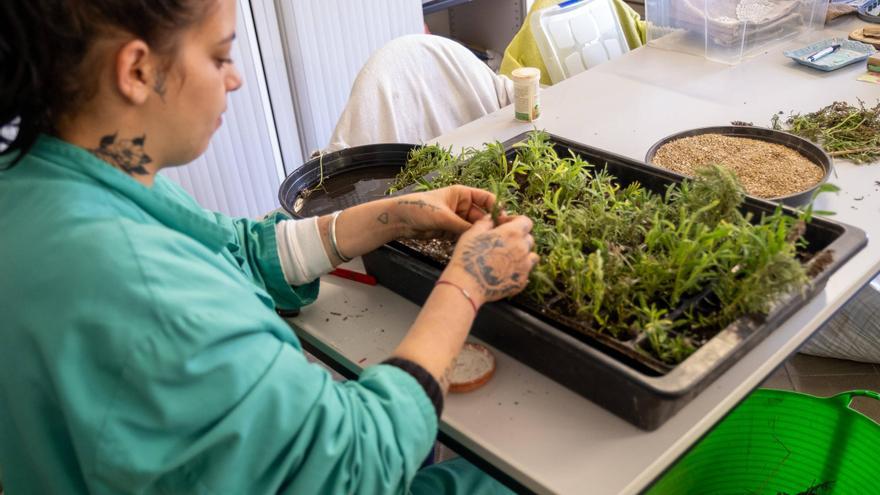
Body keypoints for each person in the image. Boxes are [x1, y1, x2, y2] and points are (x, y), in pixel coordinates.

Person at [0, 1, 537, 493]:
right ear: (137, 70)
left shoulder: (47, 180)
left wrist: (394, 213)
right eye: (219, 56)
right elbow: (354, 462)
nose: (233, 79)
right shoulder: (149, 297)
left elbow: (233, 248)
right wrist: (466, 284)